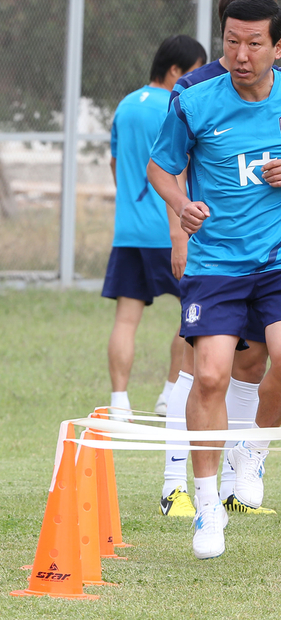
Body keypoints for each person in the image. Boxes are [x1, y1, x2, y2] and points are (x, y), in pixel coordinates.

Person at [147, 0, 281, 559]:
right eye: (231, 42)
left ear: (278, 44)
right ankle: (207, 503)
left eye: (253, 43)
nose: (240, 55)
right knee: (211, 375)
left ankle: (252, 448)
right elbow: (160, 167)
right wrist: (181, 205)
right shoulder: (195, 101)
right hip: (217, 260)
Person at [102, 35, 206, 419]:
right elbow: (177, 167)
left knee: (126, 319)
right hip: (169, 230)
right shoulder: (178, 105)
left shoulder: (126, 105)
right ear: (176, 71)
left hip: (128, 231)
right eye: (196, 71)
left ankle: (119, 403)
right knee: (193, 312)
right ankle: (168, 394)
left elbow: (115, 165)